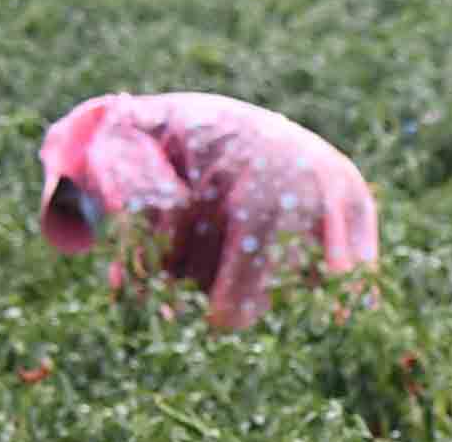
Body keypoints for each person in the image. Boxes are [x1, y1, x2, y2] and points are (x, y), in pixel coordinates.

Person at [34, 91, 380, 331]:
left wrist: (131, 287)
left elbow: (151, 205)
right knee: (333, 306)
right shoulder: (146, 117)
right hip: (332, 171)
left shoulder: (109, 137)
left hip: (273, 180)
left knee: (246, 335)